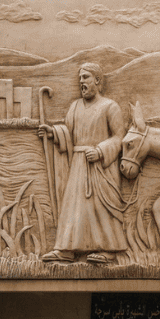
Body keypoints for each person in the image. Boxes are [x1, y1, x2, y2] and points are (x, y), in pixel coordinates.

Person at [38, 62, 127, 264]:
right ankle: (67, 249)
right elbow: (68, 134)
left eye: (86, 77)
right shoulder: (75, 106)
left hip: (100, 165)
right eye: (80, 78)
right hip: (79, 164)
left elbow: (119, 137)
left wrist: (100, 151)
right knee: (75, 207)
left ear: (97, 80)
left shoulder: (110, 106)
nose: (81, 82)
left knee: (100, 207)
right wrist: (53, 132)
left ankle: (108, 249)